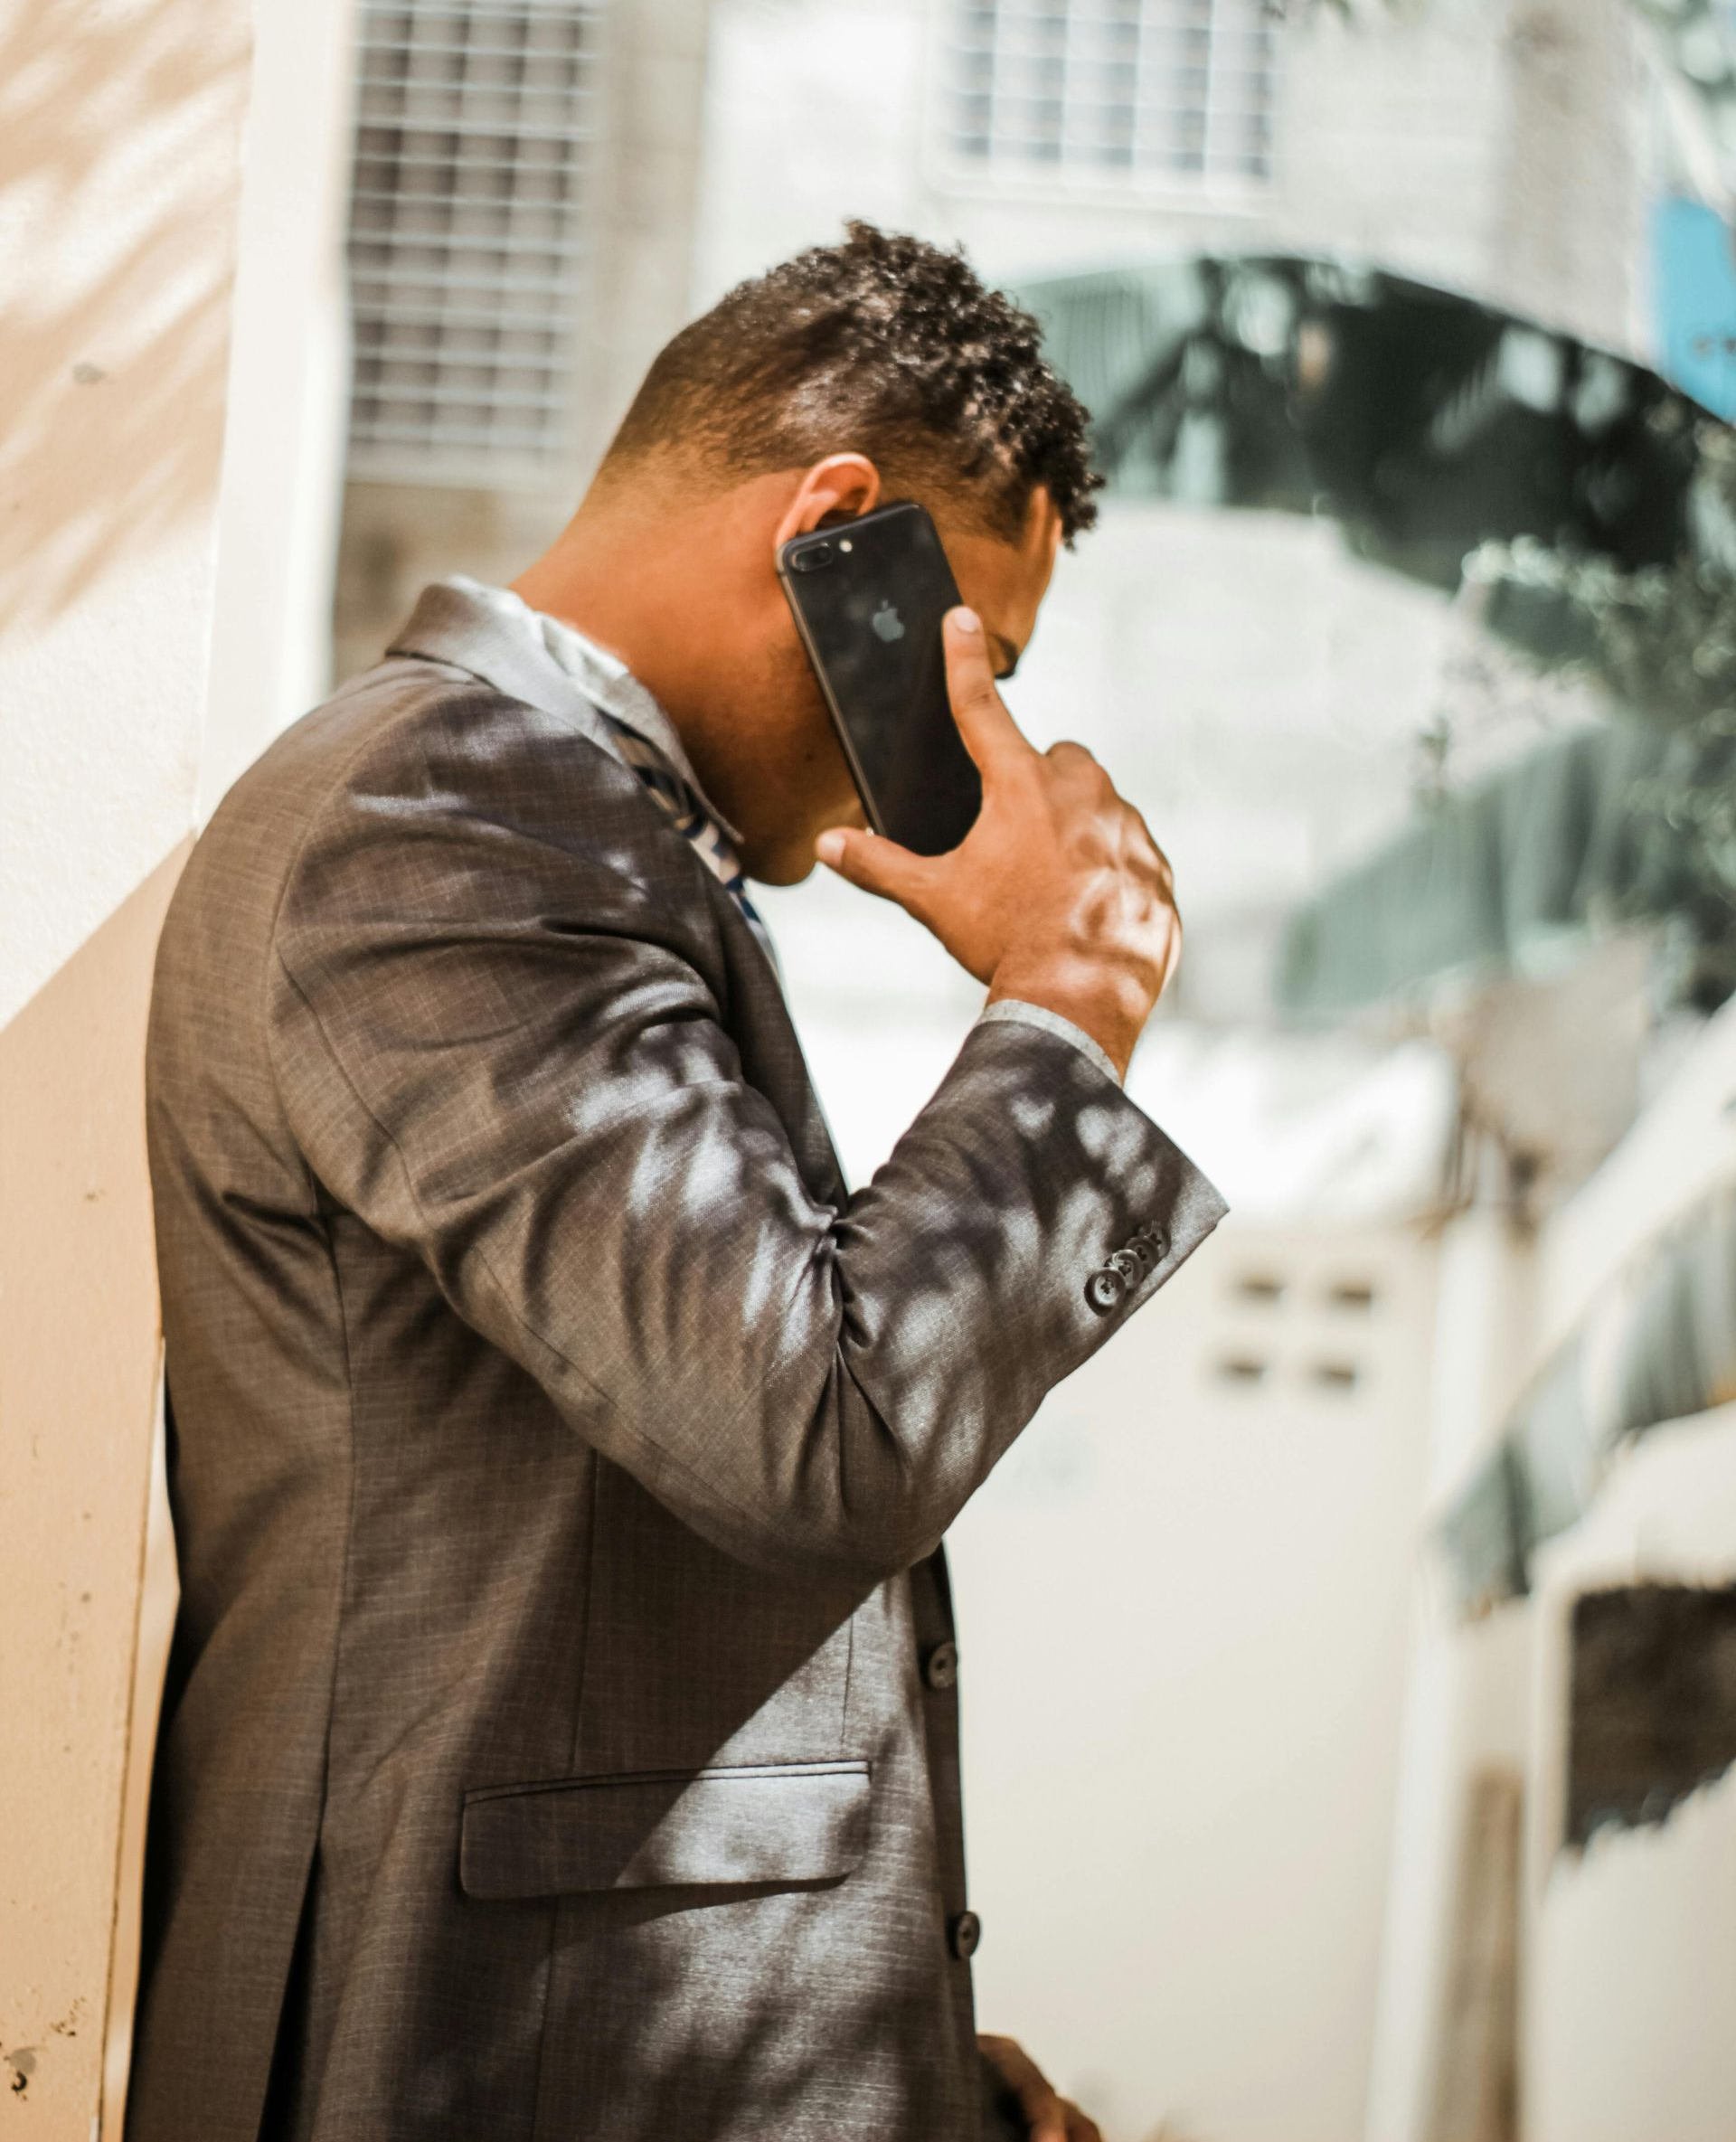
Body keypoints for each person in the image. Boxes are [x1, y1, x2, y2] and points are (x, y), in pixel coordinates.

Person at [127, 222, 1225, 2142]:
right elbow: (814, 1425)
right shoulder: (442, 822)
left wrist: (901, 2054)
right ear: (834, 527)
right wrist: (1067, 999)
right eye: (978, 666)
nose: (937, 783)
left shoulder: (571, 838)